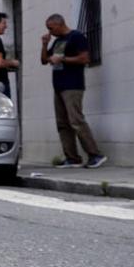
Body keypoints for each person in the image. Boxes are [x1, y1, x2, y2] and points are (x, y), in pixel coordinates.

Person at [40, 13, 107, 169]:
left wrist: (62, 59)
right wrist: (44, 44)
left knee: (76, 120)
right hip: (58, 86)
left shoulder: (76, 37)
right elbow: (44, 60)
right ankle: (72, 157)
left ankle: (95, 154)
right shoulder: (57, 41)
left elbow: (85, 59)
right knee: (62, 124)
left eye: (50, 28)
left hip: (73, 85)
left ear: (59, 24)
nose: (49, 31)